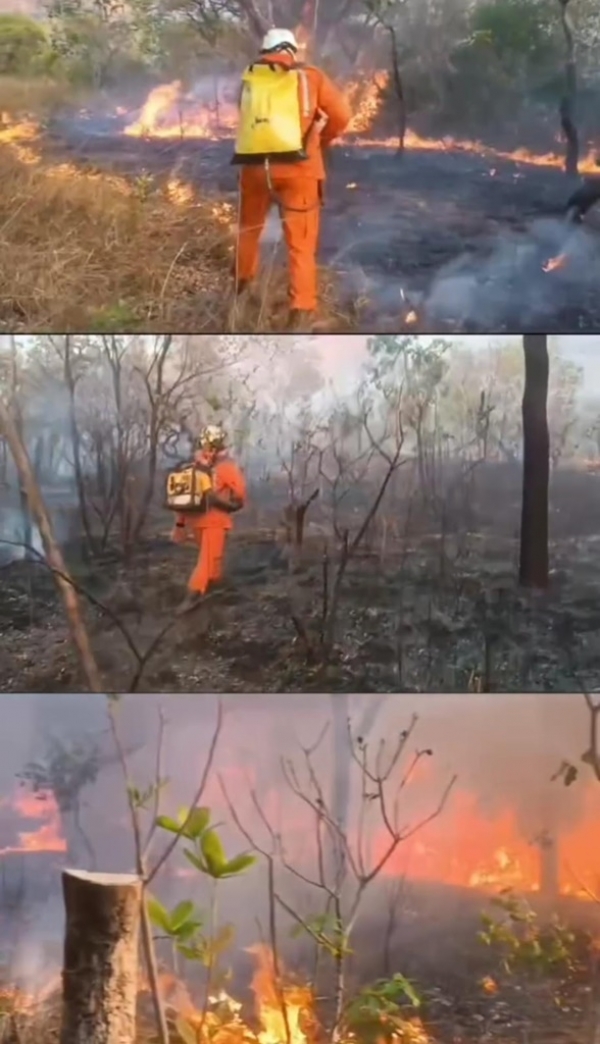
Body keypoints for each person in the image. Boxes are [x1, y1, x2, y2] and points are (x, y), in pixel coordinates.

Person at [232, 27, 352, 331]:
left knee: (248, 231)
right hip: (298, 171)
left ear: (264, 51)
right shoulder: (310, 77)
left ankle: (241, 294)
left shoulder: (249, 78)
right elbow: (341, 117)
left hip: (254, 169)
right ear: (292, 51)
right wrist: (320, 140)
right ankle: (300, 311)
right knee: (300, 244)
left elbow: (247, 122)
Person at [170, 425, 246, 609]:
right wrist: (226, 506)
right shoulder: (226, 467)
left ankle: (216, 589)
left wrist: (179, 526)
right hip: (215, 523)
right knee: (207, 562)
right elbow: (240, 497)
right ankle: (190, 600)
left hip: (194, 523)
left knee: (213, 558)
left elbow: (180, 499)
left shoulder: (192, 469)